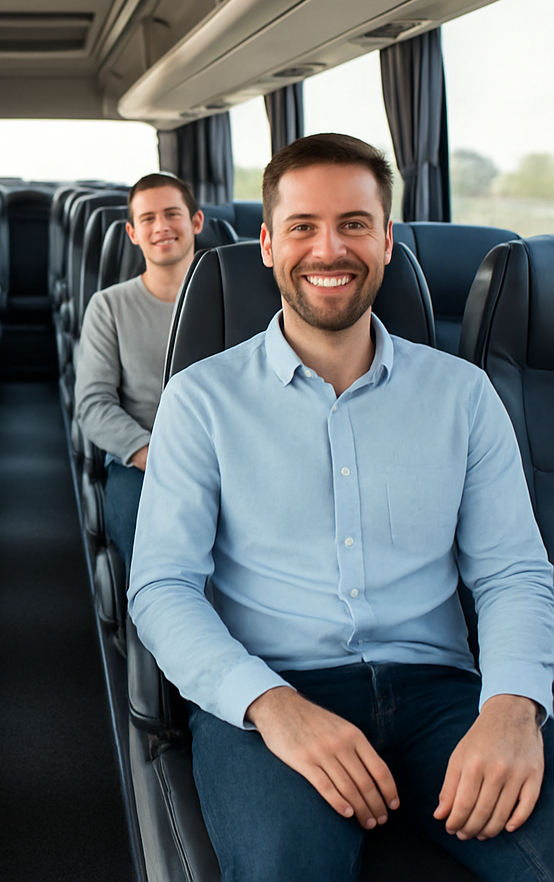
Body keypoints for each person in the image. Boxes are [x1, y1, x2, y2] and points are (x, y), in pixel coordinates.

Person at [128, 133, 554, 881]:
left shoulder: (463, 396)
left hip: (441, 696)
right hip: (272, 692)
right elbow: (162, 588)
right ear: (267, 244)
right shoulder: (201, 398)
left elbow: (512, 573)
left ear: (387, 242)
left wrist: (515, 706)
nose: (330, 249)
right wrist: (270, 705)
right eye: (303, 227)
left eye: (354, 224)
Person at [74, 172, 203, 567]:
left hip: (227, 455)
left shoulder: (234, 298)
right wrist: (154, 454)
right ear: (132, 232)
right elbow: (94, 405)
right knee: (155, 556)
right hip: (142, 459)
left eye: (172, 214)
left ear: (196, 221)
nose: (161, 227)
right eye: (148, 218)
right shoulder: (108, 306)